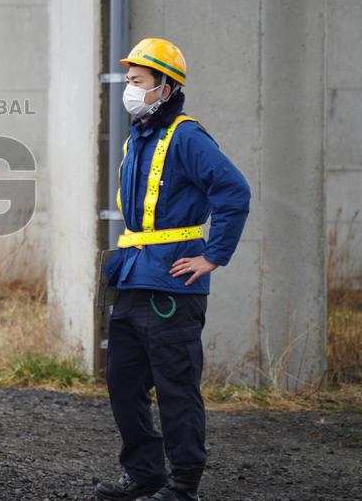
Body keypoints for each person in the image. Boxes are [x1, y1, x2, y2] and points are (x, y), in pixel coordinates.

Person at [95, 38, 251, 501]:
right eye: (128, 80)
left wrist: (213, 256)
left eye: (137, 80)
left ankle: (184, 485)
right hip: (132, 277)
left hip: (173, 287)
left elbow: (234, 192)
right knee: (123, 381)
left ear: (165, 88)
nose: (129, 88)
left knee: (175, 388)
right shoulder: (138, 137)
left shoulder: (188, 137)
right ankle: (144, 472)